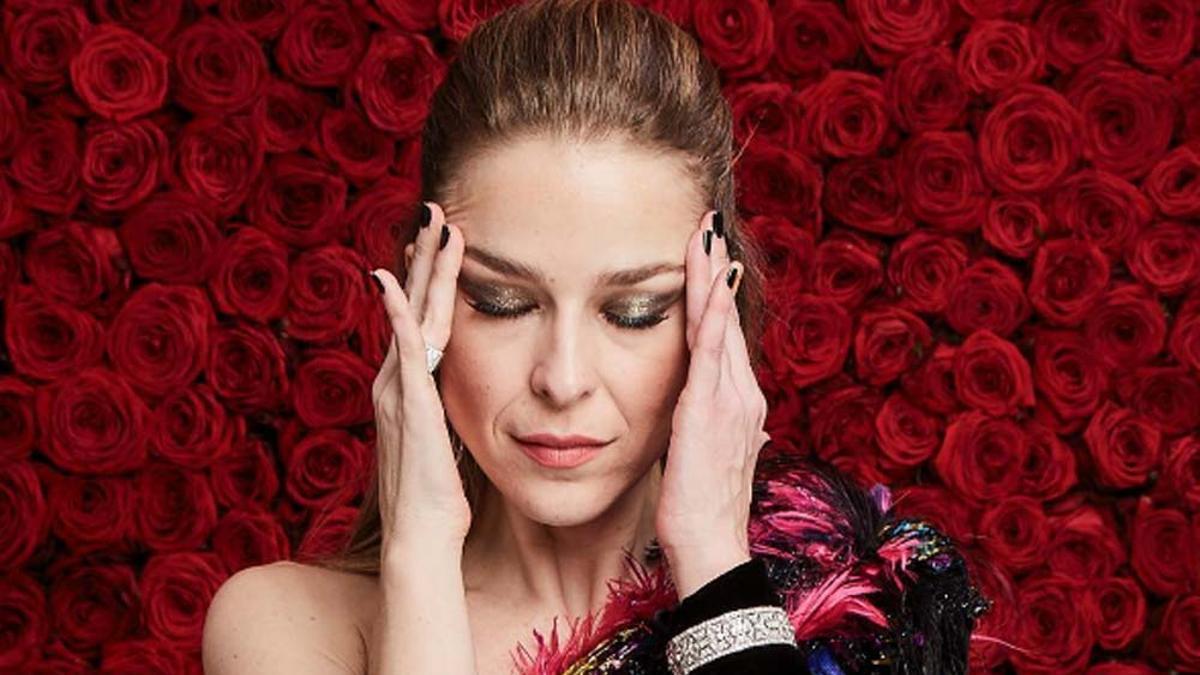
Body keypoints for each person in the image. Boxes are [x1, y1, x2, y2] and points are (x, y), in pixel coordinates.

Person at [201, 0, 990, 673]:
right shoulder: (291, 625)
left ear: (715, 308)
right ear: (423, 290)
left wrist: (713, 561)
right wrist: (422, 555)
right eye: (502, 301)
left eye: (633, 311)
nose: (563, 376)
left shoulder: (853, 602)